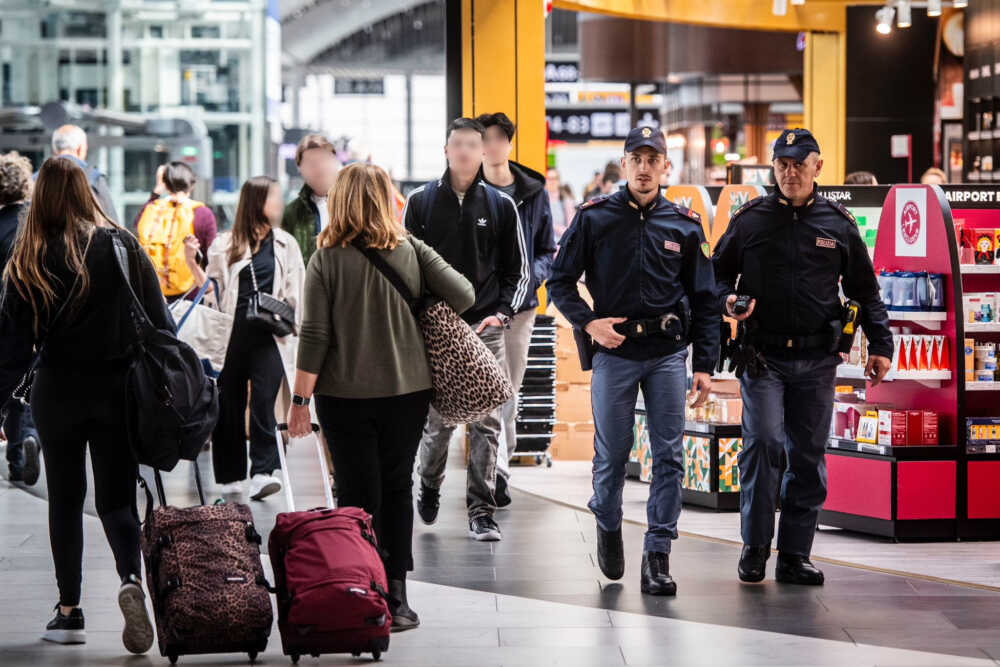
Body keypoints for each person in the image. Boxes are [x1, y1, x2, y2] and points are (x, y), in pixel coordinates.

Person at [286, 162, 474, 632]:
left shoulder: (325, 257)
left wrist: (299, 402)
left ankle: (358, 587)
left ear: (342, 201)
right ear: (386, 200)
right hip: (406, 392)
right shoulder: (409, 248)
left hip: (342, 395)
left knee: (354, 492)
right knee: (395, 487)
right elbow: (465, 294)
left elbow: (314, 335)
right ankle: (399, 596)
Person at [712, 128, 893, 586]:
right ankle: (755, 546)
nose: (790, 172)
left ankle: (794, 554)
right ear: (773, 168)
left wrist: (882, 345)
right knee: (765, 445)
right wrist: (727, 304)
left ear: (818, 166)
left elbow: (865, 290)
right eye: (782, 164)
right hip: (763, 357)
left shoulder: (838, 224)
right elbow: (712, 280)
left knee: (808, 458)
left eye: (799, 163)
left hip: (818, 359)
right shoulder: (750, 220)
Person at [547, 127, 718, 597]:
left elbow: (705, 300)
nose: (644, 167)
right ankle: (606, 520)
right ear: (623, 166)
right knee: (612, 457)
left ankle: (658, 554)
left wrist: (704, 364)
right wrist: (588, 323)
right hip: (614, 354)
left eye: (653, 159)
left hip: (666, 355)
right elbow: (559, 281)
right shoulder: (594, 218)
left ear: (666, 167)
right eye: (635, 158)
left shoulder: (685, 224)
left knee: (668, 457)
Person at [0, 156, 159, 653]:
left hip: (56, 392)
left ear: (41, 196)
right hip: (117, 390)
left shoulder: (29, 259)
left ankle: (69, 613)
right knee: (116, 499)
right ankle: (130, 578)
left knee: (66, 501)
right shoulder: (122, 245)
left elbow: (10, 351)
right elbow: (159, 327)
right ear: (88, 192)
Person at [404, 117, 530, 542]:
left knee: (488, 421)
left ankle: (481, 509)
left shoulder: (499, 206)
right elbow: (408, 268)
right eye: (456, 144)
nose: (464, 151)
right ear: (446, 150)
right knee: (439, 421)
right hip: (439, 329)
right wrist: (424, 315)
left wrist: (503, 313)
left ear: (483, 152)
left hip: (487, 326)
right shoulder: (420, 202)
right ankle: (430, 484)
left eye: (472, 145)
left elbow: (519, 271)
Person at [198, 177, 305, 500]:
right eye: (274, 197)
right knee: (228, 404)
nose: (279, 203)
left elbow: (297, 293)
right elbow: (211, 291)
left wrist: (297, 327)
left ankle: (263, 471)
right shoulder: (224, 244)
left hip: (270, 337)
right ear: (257, 202)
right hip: (230, 336)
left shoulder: (285, 243)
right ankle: (230, 473)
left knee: (263, 403)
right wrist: (192, 263)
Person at [476, 112, 557, 508]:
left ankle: (500, 466)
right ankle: (492, 470)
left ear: (509, 143)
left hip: (519, 307)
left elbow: (547, 249)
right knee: (481, 391)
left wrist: (529, 277)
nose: (490, 146)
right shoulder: (466, 189)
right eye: (482, 139)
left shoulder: (533, 191)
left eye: (496, 139)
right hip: (476, 307)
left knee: (508, 387)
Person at [0, 151, 40, 485]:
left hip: (5, 321)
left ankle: (16, 454)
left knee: (8, 383)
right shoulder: (37, 224)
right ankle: (27, 438)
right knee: (28, 385)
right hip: (41, 320)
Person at [133, 161, 217, 301]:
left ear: (165, 184)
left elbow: (138, 226)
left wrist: (157, 189)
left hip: (153, 295)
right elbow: (212, 258)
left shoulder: (151, 209)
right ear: (192, 184)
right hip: (190, 295)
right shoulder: (202, 214)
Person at [281, 134, 341, 264]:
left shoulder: (356, 206)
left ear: (336, 161)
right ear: (300, 168)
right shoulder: (291, 214)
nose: (320, 168)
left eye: (324, 160)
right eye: (312, 163)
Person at [48, 124, 119, 224]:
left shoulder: (35, 180)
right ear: (80, 148)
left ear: (54, 149)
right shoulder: (93, 177)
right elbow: (112, 224)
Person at [546, 167, 576, 243]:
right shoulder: (540, 201)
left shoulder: (566, 201)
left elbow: (571, 230)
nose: (552, 182)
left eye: (554, 178)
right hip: (543, 249)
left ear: (558, 181)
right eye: (549, 178)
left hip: (560, 248)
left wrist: (552, 226)